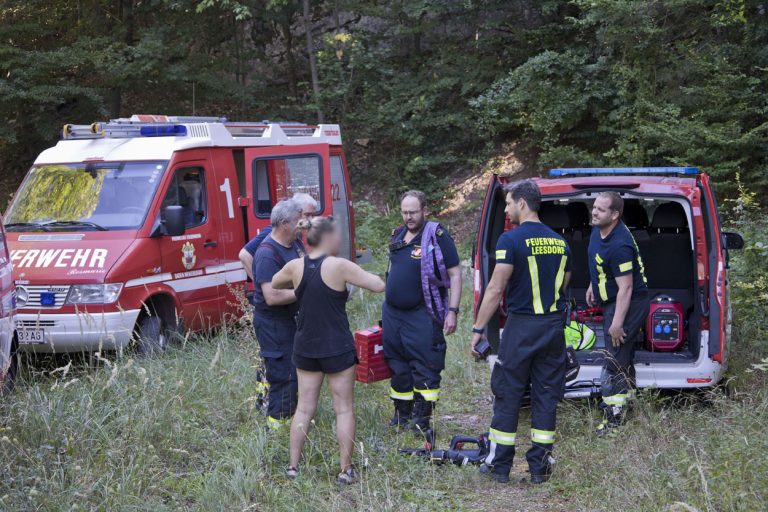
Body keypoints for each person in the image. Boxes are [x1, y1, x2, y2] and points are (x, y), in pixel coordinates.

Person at [470, 180, 572, 484]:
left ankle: (500, 465)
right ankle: (540, 467)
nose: (506, 208)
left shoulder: (510, 241)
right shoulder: (561, 242)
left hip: (522, 327)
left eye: (509, 203)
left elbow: (496, 287)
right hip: (553, 329)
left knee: (508, 392)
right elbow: (564, 283)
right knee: (545, 395)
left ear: (523, 204)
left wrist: (478, 329)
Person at [272, 216, 385, 484]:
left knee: (304, 407)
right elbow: (378, 285)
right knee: (343, 409)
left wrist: (299, 278)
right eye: (336, 234)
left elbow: (276, 282)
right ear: (327, 238)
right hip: (336, 347)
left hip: (306, 347)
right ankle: (345, 470)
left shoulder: (295, 265)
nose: (340, 239)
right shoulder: (339, 266)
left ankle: (293, 466)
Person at [383, 190, 462, 437]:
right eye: (405, 212)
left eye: (413, 212)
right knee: (397, 365)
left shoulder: (437, 236)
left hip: (422, 313)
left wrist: (453, 311)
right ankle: (401, 414)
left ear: (424, 210)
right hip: (393, 314)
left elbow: (455, 274)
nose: (409, 217)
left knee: (426, 365)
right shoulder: (398, 234)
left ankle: (422, 419)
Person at [586, 191, 649, 436]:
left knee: (613, 359)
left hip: (630, 302)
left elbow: (627, 287)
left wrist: (617, 323)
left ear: (615, 215)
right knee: (623, 354)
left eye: (600, 210)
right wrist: (594, 283)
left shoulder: (620, 244)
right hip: (613, 298)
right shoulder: (597, 228)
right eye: (594, 207)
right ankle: (628, 402)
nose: (594, 212)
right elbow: (599, 262)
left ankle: (614, 419)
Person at [251, 199, 305, 429]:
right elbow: (272, 297)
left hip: (292, 321)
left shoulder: (295, 243)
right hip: (274, 324)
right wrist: (305, 289)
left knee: (295, 375)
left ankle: (289, 423)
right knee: (284, 377)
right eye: (298, 221)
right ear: (284, 223)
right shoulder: (266, 254)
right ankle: (276, 432)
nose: (302, 225)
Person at [240, 193, 318, 280]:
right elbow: (244, 255)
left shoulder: (295, 232)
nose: (311, 219)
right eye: (307, 215)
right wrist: (260, 284)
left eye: (313, 215)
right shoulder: (273, 231)